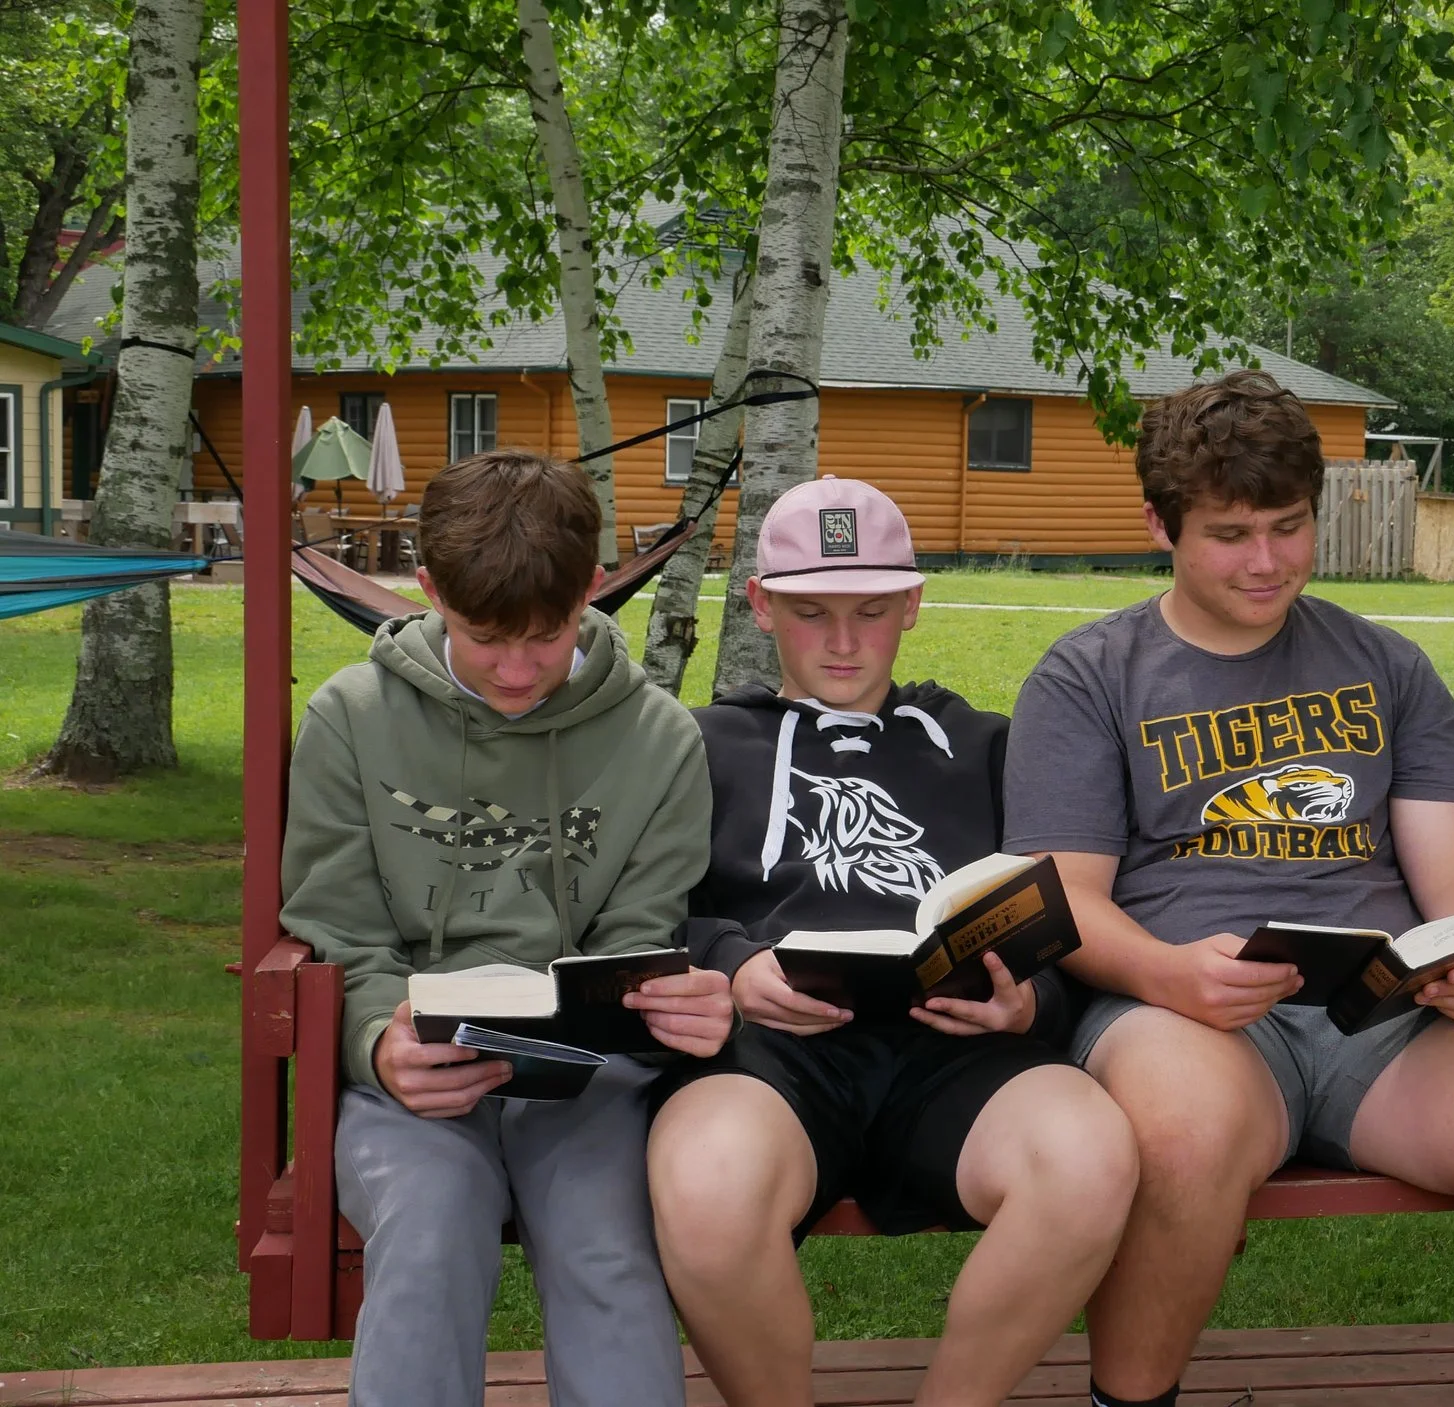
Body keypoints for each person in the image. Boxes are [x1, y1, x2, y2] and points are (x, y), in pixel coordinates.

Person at [1003, 370, 1454, 1407]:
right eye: (1229, 535)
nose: (1265, 563)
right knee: (1182, 1139)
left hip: (1383, 1012)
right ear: (1159, 525)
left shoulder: (1386, 665)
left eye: (1287, 528)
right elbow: (1064, 899)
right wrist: (1167, 976)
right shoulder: (1090, 675)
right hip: (1186, 1011)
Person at [644, 476, 1138, 1407]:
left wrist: (1030, 1001)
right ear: (759, 604)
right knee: (708, 1182)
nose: (841, 640)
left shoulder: (987, 745)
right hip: (771, 1052)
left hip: (954, 1051)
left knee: (1088, 1155)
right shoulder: (693, 744)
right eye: (810, 611)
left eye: (871, 610)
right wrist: (733, 965)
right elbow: (642, 908)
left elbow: (1057, 915)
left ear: (912, 603)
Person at [279, 449, 734, 1407]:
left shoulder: (659, 739)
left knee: (604, 1236)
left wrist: (656, 1004)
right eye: (487, 636)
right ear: (430, 589)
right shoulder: (349, 720)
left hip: (581, 1078)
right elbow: (337, 930)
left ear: (593, 592)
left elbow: (638, 932)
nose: (520, 669)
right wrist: (377, 1041)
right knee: (431, 1217)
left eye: (551, 633)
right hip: (412, 1068)